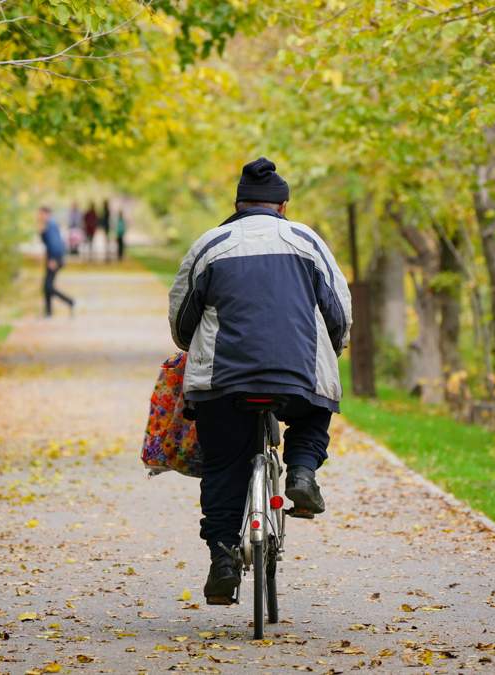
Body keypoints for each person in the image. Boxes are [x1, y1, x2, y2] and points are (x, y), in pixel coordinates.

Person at [167, 157, 352, 604]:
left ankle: (222, 558)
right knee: (313, 413)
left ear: (237, 204)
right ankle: (303, 474)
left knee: (223, 464)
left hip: (222, 382)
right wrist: (334, 349)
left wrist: (190, 347)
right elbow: (339, 314)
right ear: (283, 206)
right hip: (297, 375)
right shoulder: (308, 242)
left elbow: (182, 319)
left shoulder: (211, 245)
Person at [39, 206, 74, 317]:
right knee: (47, 286)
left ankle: (69, 301)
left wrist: (53, 259)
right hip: (52, 258)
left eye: (41, 214)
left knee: (48, 286)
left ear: (47, 214)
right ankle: (48, 312)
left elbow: (55, 244)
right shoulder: (48, 225)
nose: (39, 216)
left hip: (54, 259)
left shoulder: (51, 225)